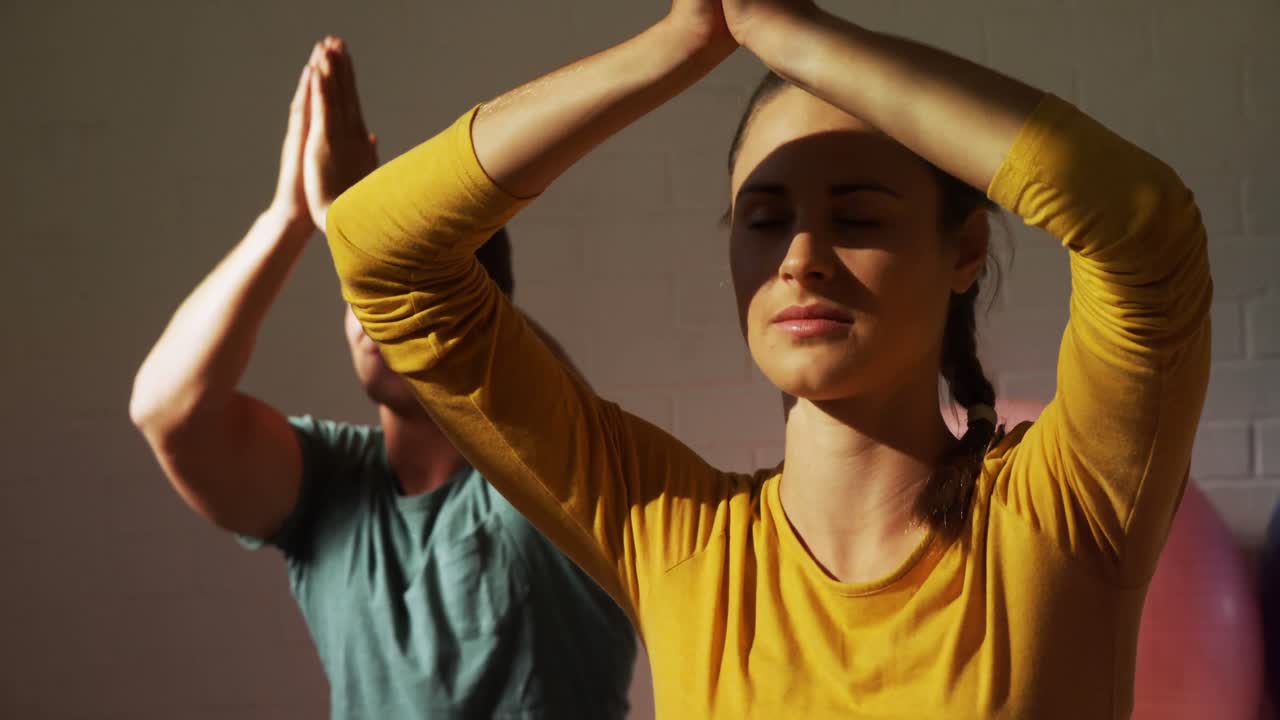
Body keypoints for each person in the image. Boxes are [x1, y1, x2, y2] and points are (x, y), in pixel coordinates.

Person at [325, 0, 1212, 716]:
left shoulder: (1061, 512)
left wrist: (786, 28)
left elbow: (1144, 232)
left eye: (857, 216)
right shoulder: (673, 537)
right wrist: (678, 41)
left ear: (966, 250)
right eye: (764, 219)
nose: (801, 255)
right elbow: (379, 256)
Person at [129, 36, 636, 719]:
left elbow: (546, 423)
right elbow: (169, 412)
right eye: (361, 290)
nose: (371, 315)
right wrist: (292, 220)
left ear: (483, 310)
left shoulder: (544, 480)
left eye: (399, 289)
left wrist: (365, 218)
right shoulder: (330, 486)